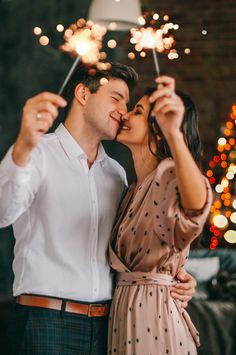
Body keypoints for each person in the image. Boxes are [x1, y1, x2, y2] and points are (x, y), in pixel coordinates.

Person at [0, 63, 196, 355]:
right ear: (82, 94)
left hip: (111, 327)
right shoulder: (36, 152)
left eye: (128, 104)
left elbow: (130, 251)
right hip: (47, 321)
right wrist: (24, 146)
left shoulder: (117, 174)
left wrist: (176, 277)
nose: (123, 111)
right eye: (116, 98)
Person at [108, 76, 212, 355]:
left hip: (156, 323)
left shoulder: (168, 174)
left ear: (158, 129)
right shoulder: (130, 189)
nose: (125, 115)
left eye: (138, 112)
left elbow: (194, 209)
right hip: (123, 319)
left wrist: (174, 134)